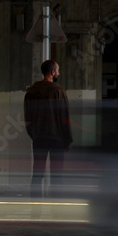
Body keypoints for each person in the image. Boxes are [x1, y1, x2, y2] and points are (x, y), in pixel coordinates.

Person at [24, 60, 73, 198]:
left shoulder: (31, 93)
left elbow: (28, 119)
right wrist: (67, 140)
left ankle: (35, 205)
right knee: (57, 175)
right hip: (57, 139)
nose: (58, 72)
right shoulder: (59, 92)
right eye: (57, 70)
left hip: (39, 138)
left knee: (37, 174)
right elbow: (65, 118)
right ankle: (56, 204)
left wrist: (34, 134)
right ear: (52, 72)